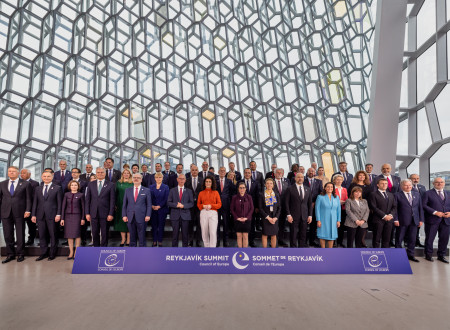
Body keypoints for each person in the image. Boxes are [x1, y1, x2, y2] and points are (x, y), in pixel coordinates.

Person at [0, 166, 32, 263]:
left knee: (20, 234)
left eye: (13, 171)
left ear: (18, 173)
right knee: (7, 234)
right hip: (6, 212)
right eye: (9, 171)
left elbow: (28, 198)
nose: (11, 173)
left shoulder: (26, 184)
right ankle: (10, 254)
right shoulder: (2, 184)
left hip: (20, 212)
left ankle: (20, 254)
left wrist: (28, 210)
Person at [32, 171, 62, 261]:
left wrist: (58, 214)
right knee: (42, 235)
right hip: (40, 215)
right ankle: (43, 253)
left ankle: (52, 254)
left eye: (48, 176)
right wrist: (33, 214)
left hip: (52, 215)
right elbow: (35, 203)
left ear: (52, 177)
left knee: (53, 234)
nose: (46, 178)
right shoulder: (37, 188)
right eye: (44, 176)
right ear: (42, 177)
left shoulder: (57, 188)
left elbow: (59, 203)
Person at [394, 179, 424, 262]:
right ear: (401, 186)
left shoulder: (417, 194)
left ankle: (411, 255)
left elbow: (420, 208)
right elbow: (395, 209)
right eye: (406, 185)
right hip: (402, 220)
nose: (408, 187)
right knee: (399, 238)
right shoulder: (397, 195)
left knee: (412, 239)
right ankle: (398, 255)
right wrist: (395, 219)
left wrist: (421, 219)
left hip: (414, 221)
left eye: (410, 185)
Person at [85, 167, 116, 247]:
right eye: (98, 172)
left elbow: (112, 201)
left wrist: (111, 214)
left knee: (104, 233)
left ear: (105, 173)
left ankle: (103, 249)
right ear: (96, 173)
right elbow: (88, 200)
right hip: (93, 213)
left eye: (102, 172)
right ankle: (96, 249)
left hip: (105, 213)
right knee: (95, 232)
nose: (100, 174)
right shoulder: (91, 184)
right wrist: (87, 213)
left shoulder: (111, 185)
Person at [422, 177, 450, 263]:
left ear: (444, 183)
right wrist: (435, 212)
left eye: (441, 182)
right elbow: (424, 205)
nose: (439, 184)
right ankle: (428, 255)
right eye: (437, 182)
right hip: (432, 219)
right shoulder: (427, 193)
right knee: (430, 238)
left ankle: (441, 255)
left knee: (444, 239)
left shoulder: (448, 193)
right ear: (433, 183)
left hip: (446, 220)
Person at [122, 174, 152, 247]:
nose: (136, 179)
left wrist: (148, 215)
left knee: (142, 236)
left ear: (141, 180)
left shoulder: (146, 190)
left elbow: (149, 204)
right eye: (134, 177)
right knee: (132, 236)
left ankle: (142, 254)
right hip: (130, 216)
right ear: (132, 179)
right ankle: (133, 254)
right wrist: (124, 215)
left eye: (138, 178)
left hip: (142, 216)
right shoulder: (128, 190)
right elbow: (124, 204)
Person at [285, 173, 313, 247]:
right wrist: (288, 215)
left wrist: (310, 215)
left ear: (304, 179)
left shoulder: (308, 189)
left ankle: (301, 249)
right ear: (295, 178)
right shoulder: (290, 189)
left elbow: (310, 204)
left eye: (301, 177)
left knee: (303, 234)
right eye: (298, 177)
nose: (300, 178)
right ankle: (293, 250)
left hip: (305, 216)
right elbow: (286, 203)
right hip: (293, 216)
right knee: (293, 234)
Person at [369, 178, 397, 248]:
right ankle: (376, 255)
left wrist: (390, 215)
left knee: (387, 239)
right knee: (376, 239)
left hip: (389, 220)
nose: (384, 185)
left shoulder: (391, 195)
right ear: (378, 185)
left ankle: (385, 254)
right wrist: (384, 216)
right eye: (382, 183)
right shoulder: (373, 194)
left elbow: (394, 207)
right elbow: (373, 207)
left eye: (386, 183)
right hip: (378, 220)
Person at [167, 174, 194, 247]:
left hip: (185, 216)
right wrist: (176, 205)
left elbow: (192, 203)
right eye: (180, 178)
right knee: (175, 235)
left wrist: (183, 206)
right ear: (177, 179)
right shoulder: (172, 190)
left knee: (185, 235)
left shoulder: (189, 191)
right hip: (175, 216)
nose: (181, 180)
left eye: (183, 179)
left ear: (185, 180)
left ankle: (184, 251)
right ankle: (174, 251)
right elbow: (168, 202)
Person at [61, 180, 85, 259]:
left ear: (78, 186)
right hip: (67, 217)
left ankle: (76, 252)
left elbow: (83, 208)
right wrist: (62, 218)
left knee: (77, 234)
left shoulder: (81, 195)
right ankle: (71, 252)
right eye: (72, 185)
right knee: (69, 235)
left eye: (75, 185)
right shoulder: (66, 194)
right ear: (69, 186)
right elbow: (63, 207)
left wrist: (82, 218)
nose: (74, 186)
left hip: (77, 216)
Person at [238, 168, 260, 247]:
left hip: (252, 207)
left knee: (252, 224)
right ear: (244, 173)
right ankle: (242, 242)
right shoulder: (240, 182)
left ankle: (251, 241)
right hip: (241, 208)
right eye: (246, 172)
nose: (247, 174)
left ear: (251, 174)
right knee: (242, 225)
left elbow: (258, 195)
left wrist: (257, 206)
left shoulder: (256, 183)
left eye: (249, 173)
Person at [197, 176, 222, 247]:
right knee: (204, 232)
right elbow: (198, 204)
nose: (208, 183)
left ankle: (212, 248)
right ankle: (206, 247)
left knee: (213, 232)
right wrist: (203, 206)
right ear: (204, 183)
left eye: (209, 182)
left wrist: (211, 206)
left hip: (213, 213)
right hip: (203, 212)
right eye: (206, 181)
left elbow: (219, 204)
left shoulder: (216, 192)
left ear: (212, 183)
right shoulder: (201, 193)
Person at [315, 182, 341, 248]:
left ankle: (330, 251)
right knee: (322, 234)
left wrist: (338, 220)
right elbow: (317, 209)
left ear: (333, 188)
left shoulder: (336, 197)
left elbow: (338, 210)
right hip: (323, 219)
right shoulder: (320, 197)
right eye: (328, 187)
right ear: (325, 188)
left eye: (331, 187)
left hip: (334, 220)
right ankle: (323, 250)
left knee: (332, 235)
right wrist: (318, 220)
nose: (330, 188)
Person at [230, 182, 254, 248]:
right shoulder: (234, 197)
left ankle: (245, 251)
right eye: (240, 188)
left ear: (246, 189)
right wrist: (237, 218)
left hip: (247, 220)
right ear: (238, 189)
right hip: (237, 220)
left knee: (245, 236)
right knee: (239, 236)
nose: (242, 189)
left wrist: (247, 218)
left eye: (243, 188)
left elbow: (252, 208)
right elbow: (232, 209)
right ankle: (240, 251)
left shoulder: (249, 197)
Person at [259, 178, 281, 248]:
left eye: (271, 183)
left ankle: (273, 251)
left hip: (274, 217)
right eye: (267, 183)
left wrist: (276, 217)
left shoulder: (276, 195)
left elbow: (279, 207)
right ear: (265, 185)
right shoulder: (262, 194)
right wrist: (268, 217)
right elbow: (260, 208)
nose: (269, 185)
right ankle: (265, 251)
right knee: (265, 234)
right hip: (266, 218)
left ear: (273, 185)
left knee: (274, 235)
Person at [149, 172, 170, 247]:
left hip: (162, 209)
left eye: (160, 177)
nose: (158, 179)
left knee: (161, 226)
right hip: (153, 209)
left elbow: (166, 198)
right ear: (154, 178)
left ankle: (160, 240)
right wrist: (152, 205)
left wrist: (159, 206)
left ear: (162, 178)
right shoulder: (151, 187)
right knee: (154, 226)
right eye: (157, 177)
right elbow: (149, 198)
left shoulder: (166, 187)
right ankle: (154, 240)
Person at [20, 168, 39, 246]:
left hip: (30, 207)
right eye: (21, 173)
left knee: (31, 225)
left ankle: (31, 239)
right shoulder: (19, 182)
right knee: (20, 225)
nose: (22, 175)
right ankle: (20, 240)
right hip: (20, 207)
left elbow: (34, 197)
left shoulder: (35, 183)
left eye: (24, 173)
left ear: (29, 174)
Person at [114, 169, 133, 247]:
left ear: (130, 174)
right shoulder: (119, 182)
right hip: (120, 204)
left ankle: (128, 240)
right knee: (121, 222)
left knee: (129, 222)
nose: (126, 174)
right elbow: (115, 194)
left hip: (130, 205)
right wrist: (115, 204)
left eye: (127, 173)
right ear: (122, 174)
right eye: (124, 173)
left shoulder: (132, 183)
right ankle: (123, 239)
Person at [304, 168, 323, 247]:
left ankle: (312, 241)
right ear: (307, 172)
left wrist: (315, 202)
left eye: (312, 171)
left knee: (313, 225)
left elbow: (321, 192)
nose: (311, 172)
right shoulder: (303, 181)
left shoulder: (319, 181)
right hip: (304, 206)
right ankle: (304, 242)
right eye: (309, 171)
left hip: (315, 205)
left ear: (315, 173)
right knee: (304, 224)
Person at [185, 165, 203, 247]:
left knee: (199, 223)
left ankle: (198, 240)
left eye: (196, 170)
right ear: (190, 171)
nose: (194, 171)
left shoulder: (202, 180)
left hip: (199, 206)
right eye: (193, 170)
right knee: (190, 224)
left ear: (198, 171)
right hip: (190, 206)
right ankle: (190, 240)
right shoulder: (187, 181)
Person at [216, 167, 233, 247]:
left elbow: (232, 193)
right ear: (218, 171)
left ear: (226, 172)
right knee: (217, 224)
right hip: (217, 206)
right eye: (221, 171)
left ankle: (226, 240)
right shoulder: (215, 181)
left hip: (226, 205)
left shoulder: (229, 181)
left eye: (224, 171)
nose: (222, 172)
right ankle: (217, 240)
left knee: (226, 224)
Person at [410, 173, 426, 247]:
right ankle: (409, 242)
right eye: (414, 178)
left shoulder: (422, 187)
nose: (416, 180)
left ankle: (417, 241)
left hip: (420, 211)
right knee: (411, 228)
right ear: (410, 179)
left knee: (418, 227)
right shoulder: (407, 186)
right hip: (411, 211)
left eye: (417, 178)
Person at [333, 174, 348, 248]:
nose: (339, 181)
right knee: (333, 226)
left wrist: (344, 202)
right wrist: (337, 202)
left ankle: (340, 242)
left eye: (340, 180)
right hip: (333, 210)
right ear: (334, 180)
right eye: (337, 179)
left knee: (341, 227)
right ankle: (332, 242)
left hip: (342, 209)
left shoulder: (344, 189)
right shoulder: (331, 188)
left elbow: (346, 198)